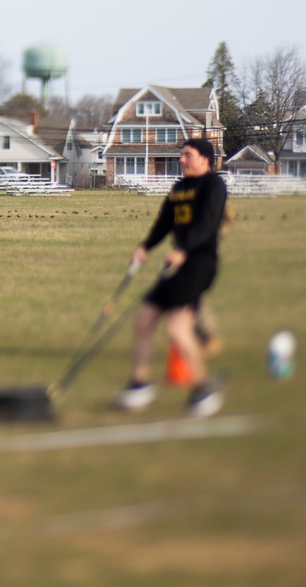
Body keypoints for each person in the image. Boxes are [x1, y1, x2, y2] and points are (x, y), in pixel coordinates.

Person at [114, 138, 228, 417]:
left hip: (199, 263)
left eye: (188, 155)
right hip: (176, 262)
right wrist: (146, 247)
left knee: (177, 328)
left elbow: (208, 224)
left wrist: (184, 249)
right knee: (143, 318)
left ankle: (202, 389)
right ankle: (140, 384)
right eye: (182, 156)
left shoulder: (214, 185)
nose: (182, 160)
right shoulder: (179, 187)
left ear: (204, 159)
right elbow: (165, 221)